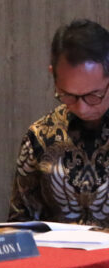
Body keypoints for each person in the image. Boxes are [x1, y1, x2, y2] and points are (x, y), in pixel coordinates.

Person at [9, 19, 109, 226]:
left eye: (93, 95)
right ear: (53, 76)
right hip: (56, 247)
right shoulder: (40, 136)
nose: (82, 108)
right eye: (68, 95)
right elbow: (20, 222)